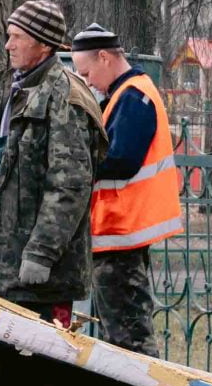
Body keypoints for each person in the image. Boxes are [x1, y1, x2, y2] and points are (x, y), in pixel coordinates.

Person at [0, 0, 102, 327]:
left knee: (34, 373)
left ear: (42, 43)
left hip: (39, 281)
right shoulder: (13, 93)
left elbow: (69, 186)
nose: (8, 45)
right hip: (0, 270)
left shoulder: (66, 97)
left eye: (16, 37)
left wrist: (41, 253)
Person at [70, 24, 181, 353]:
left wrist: (75, 162)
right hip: (117, 234)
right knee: (121, 338)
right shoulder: (126, 94)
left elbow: (122, 160)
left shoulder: (134, 96)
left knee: (129, 343)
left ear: (104, 57)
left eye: (87, 72)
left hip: (121, 232)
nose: (88, 82)